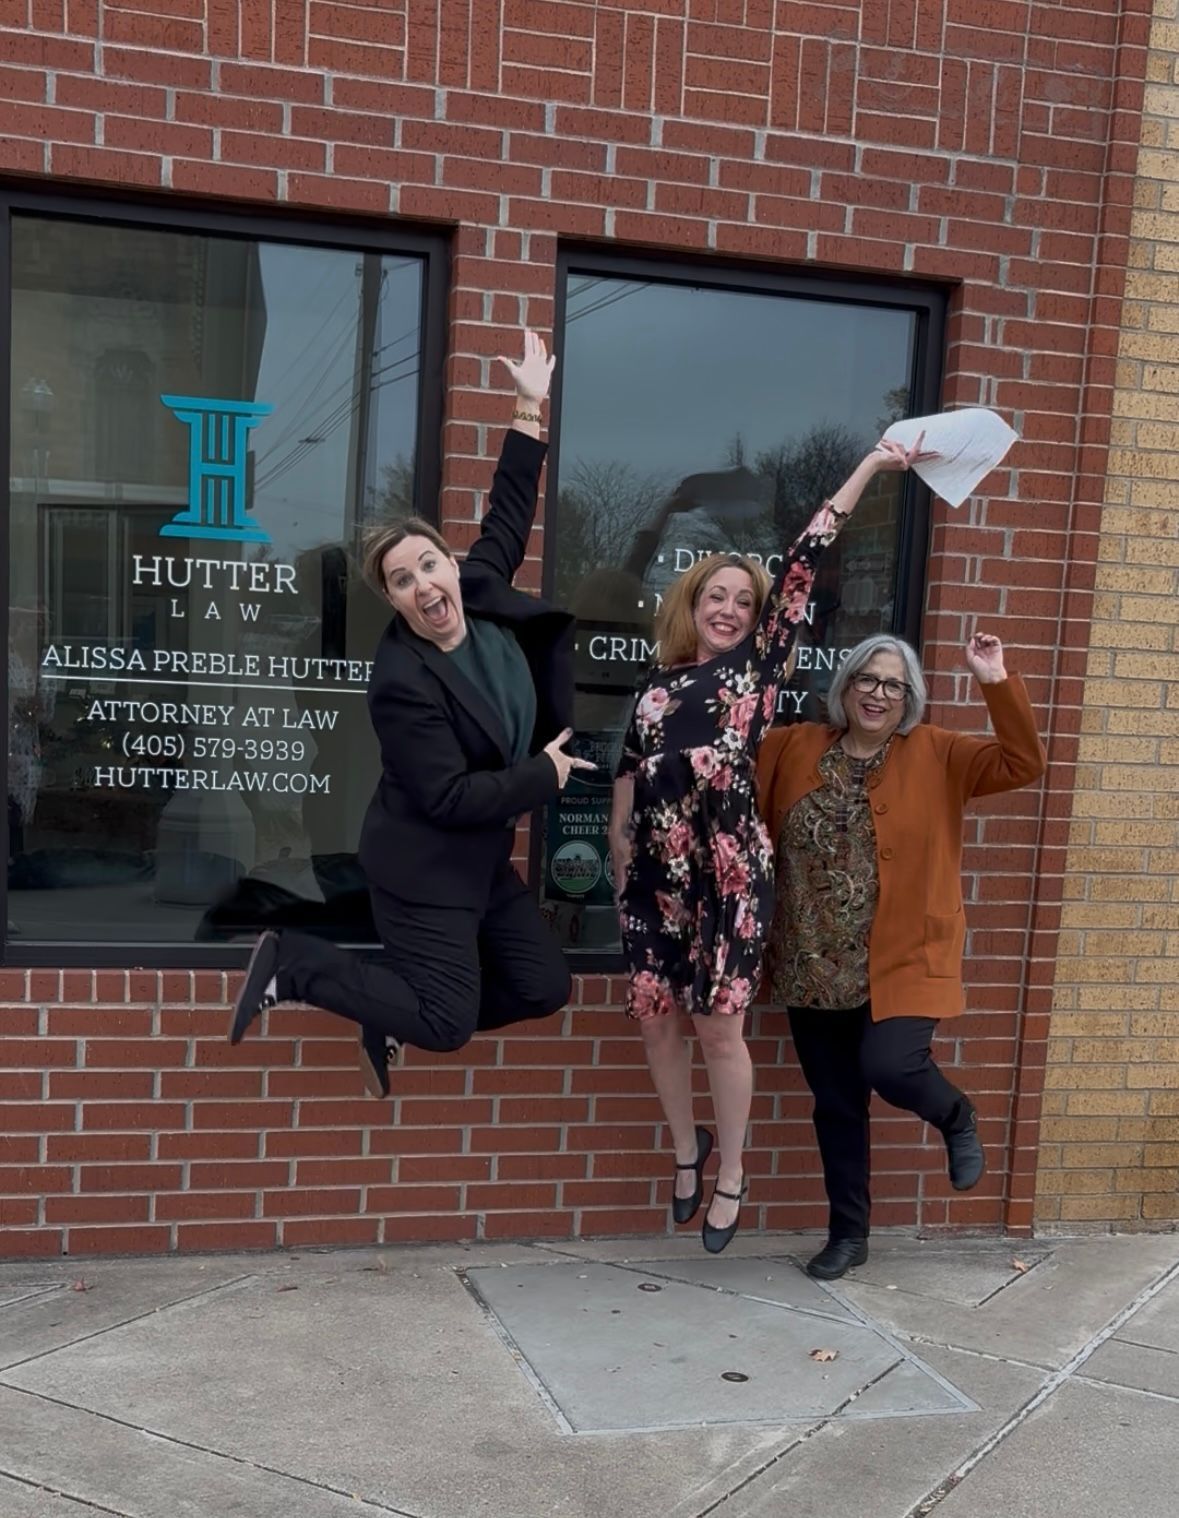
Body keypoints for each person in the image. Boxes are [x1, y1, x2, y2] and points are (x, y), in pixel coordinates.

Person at [228, 330, 593, 1094]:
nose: (425, 586)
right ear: (389, 598)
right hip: (423, 867)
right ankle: (295, 965)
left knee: (543, 987)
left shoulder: (482, 590)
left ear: (446, 563)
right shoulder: (401, 680)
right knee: (446, 1025)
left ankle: (386, 1007)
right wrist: (544, 774)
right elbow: (449, 797)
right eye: (401, 580)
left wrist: (529, 405)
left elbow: (508, 512)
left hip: (481, 864)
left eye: (428, 564)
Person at [608, 435, 932, 1254]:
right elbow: (629, 765)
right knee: (653, 1020)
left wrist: (871, 467)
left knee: (718, 1026)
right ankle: (688, 1151)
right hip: (653, 872)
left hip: (726, 868)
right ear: (690, 603)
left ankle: (732, 1175)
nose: (727, 608)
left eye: (741, 601)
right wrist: (617, 842)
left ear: (759, 618)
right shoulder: (654, 684)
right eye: (714, 596)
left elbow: (803, 558)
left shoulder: (756, 669)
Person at [756, 631, 1046, 1280]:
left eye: (893, 685)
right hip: (810, 959)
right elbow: (729, 784)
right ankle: (847, 1234)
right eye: (866, 679)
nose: (877, 694)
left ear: (908, 697)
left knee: (891, 1065)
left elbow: (1022, 763)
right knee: (835, 1103)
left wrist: (993, 679)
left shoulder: (938, 753)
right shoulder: (793, 746)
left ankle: (954, 1112)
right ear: (846, 685)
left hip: (903, 955)